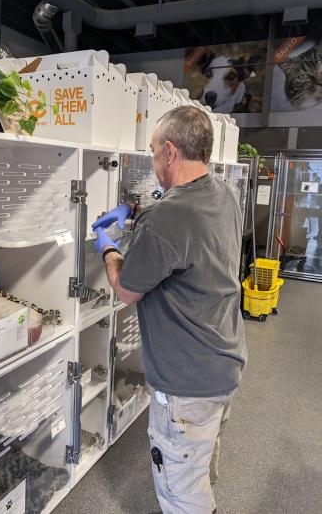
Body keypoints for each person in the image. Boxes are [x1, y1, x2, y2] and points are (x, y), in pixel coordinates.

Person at [92, 105, 247, 514]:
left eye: (153, 150)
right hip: (223, 364)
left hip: (185, 384)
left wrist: (108, 247)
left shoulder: (167, 217)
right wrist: (136, 213)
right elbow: (187, 237)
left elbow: (126, 290)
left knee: (182, 494)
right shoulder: (225, 196)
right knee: (199, 467)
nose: (153, 158)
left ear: (171, 153)